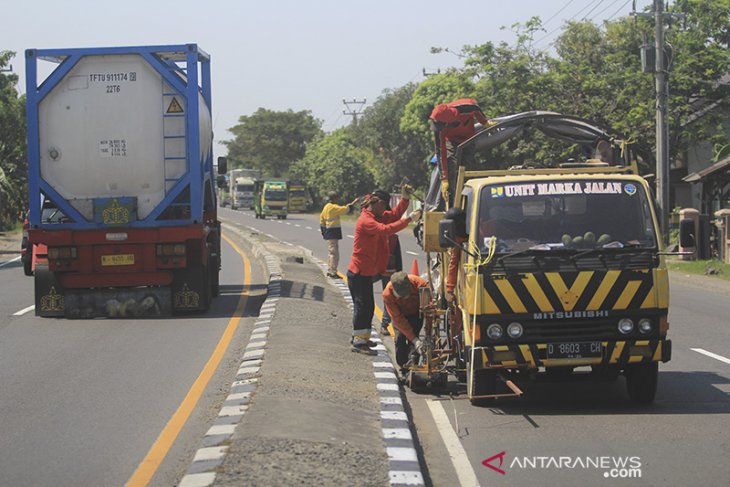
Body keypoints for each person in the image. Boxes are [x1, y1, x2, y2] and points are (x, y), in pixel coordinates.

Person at [348, 188, 421, 355]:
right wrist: (409, 219)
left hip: (366, 271)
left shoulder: (376, 216)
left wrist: (404, 199)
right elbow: (386, 230)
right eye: (385, 206)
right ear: (379, 203)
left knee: (368, 306)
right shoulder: (367, 221)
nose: (386, 210)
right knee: (363, 306)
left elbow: (394, 216)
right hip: (359, 272)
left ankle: (362, 338)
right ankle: (359, 342)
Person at [383, 271, 429, 372]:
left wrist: (427, 334)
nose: (405, 297)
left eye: (407, 294)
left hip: (416, 313)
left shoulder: (421, 285)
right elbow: (398, 318)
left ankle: (414, 366)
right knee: (400, 339)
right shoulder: (388, 295)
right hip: (400, 315)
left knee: (414, 338)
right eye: (402, 295)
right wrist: (414, 339)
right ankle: (403, 367)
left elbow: (428, 310)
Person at [320, 191, 358, 278]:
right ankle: (333, 272)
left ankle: (330, 270)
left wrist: (323, 231)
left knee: (330, 252)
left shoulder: (326, 207)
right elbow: (345, 210)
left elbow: (321, 220)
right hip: (333, 232)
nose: (338, 199)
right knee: (334, 253)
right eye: (337, 198)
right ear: (334, 198)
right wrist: (354, 202)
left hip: (328, 231)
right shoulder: (333, 207)